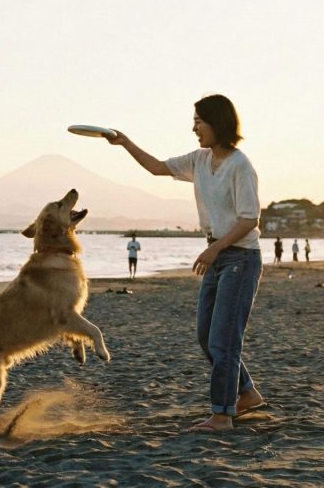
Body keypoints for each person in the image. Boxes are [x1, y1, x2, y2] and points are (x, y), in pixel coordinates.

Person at [106, 93, 265, 433]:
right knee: (207, 337)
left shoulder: (241, 166)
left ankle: (222, 416)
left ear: (217, 122)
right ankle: (247, 393)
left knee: (224, 339)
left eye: (199, 121)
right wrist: (125, 143)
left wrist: (214, 250)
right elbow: (157, 167)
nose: (194, 127)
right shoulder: (198, 160)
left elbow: (249, 219)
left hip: (240, 258)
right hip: (218, 255)